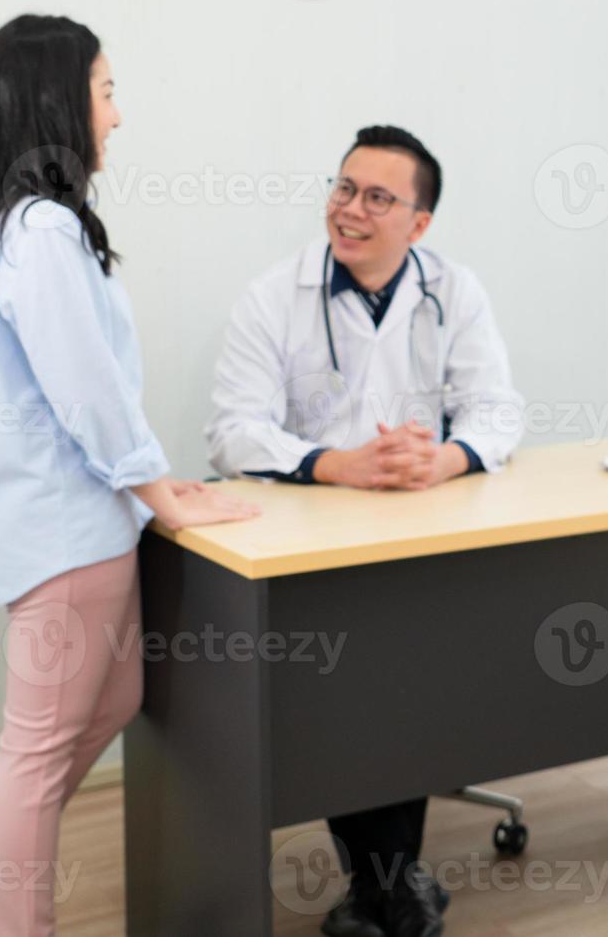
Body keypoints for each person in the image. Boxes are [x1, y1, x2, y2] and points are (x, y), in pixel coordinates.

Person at [0, 14, 260, 937]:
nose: (118, 114)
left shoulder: (38, 224)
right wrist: (163, 499)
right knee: (33, 756)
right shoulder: (39, 230)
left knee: (111, 701)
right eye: (107, 91)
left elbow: (100, 392)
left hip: (84, 520)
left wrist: (157, 487)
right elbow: (89, 397)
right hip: (63, 535)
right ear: (59, 101)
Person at [205, 125, 524, 937]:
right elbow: (232, 432)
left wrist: (447, 458)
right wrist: (330, 463)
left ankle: (380, 894)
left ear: (418, 224)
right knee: (361, 682)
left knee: (394, 677)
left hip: (422, 537)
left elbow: (500, 409)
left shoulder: (456, 290)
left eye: (378, 197)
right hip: (305, 546)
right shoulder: (274, 295)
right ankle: (395, 889)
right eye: (344, 188)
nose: (350, 210)